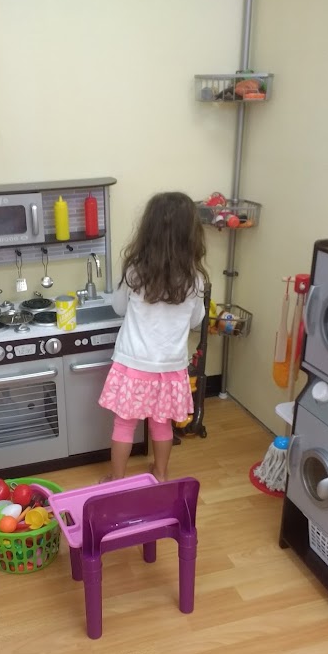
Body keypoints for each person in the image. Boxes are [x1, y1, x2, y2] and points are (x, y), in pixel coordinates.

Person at [99, 191, 208, 482]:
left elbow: (119, 307)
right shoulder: (195, 278)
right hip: (170, 366)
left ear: (149, 230)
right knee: (162, 424)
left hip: (134, 362)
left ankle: (118, 478)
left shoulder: (136, 271)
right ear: (191, 233)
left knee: (124, 424)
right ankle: (160, 474)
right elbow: (197, 319)